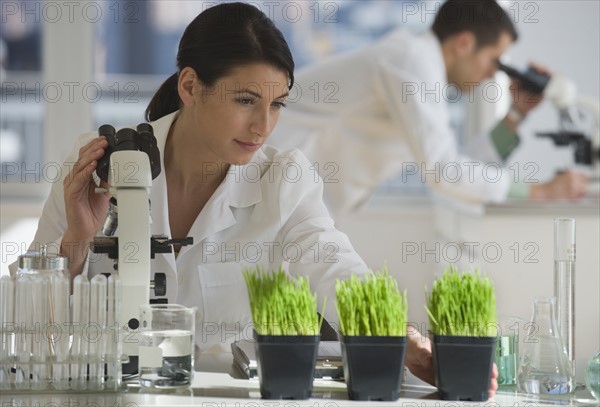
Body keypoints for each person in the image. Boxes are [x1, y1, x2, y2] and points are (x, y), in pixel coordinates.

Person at [10, 2, 498, 396]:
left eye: (276, 104)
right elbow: (29, 327)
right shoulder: (99, 165)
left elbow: (335, 265)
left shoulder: (283, 177)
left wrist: (402, 339)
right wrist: (78, 238)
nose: (263, 125)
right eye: (245, 100)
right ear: (190, 86)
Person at [267, 0, 590, 219]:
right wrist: (540, 192)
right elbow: (444, 170)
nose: (494, 73)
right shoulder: (412, 58)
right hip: (272, 181)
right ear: (464, 43)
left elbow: (464, 168)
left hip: (302, 201)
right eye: (494, 59)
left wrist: (516, 114)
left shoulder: (424, 70)